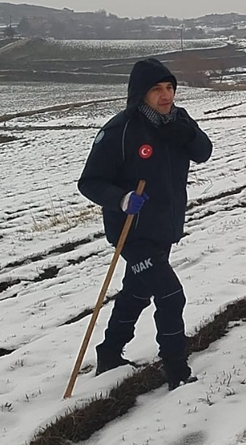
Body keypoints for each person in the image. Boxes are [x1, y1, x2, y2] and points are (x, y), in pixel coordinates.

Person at [78, 58, 213, 390]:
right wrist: (122, 199)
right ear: (140, 93)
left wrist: (188, 133)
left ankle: (109, 353)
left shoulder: (178, 119)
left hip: (165, 227)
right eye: (156, 89)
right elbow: (90, 182)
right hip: (133, 232)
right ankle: (177, 371)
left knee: (137, 292)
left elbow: (203, 152)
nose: (166, 96)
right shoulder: (120, 131)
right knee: (171, 295)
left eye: (169, 88)